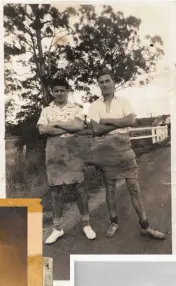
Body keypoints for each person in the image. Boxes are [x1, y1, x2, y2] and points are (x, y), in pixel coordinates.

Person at [87, 69, 166, 240]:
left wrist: (107, 121)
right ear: (98, 85)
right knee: (109, 189)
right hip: (105, 149)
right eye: (101, 82)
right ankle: (114, 222)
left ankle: (145, 226)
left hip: (124, 147)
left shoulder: (123, 102)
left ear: (113, 82)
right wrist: (118, 123)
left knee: (134, 188)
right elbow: (96, 130)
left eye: (107, 81)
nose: (104, 84)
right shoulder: (95, 106)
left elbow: (131, 121)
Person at [37, 77, 96, 244]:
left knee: (79, 188)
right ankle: (57, 229)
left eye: (62, 90)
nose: (59, 93)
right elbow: (42, 130)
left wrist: (55, 124)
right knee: (56, 191)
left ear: (67, 91)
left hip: (73, 150)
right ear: (52, 92)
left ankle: (86, 224)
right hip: (54, 151)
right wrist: (66, 125)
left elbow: (79, 126)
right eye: (56, 91)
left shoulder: (76, 109)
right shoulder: (46, 111)